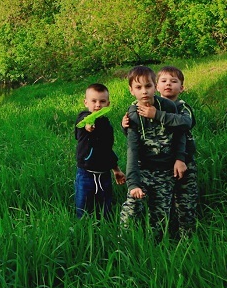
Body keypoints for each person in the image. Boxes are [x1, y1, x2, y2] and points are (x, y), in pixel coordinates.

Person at [119, 66, 192, 237]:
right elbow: (132, 150)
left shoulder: (167, 106)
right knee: (132, 206)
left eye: (148, 86)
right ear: (131, 91)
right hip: (143, 169)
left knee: (160, 214)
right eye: (138, 87)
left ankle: (156, 245)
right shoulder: (133, 115)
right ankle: (123, 241)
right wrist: (133, 183)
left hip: (166, 171)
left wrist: (180, 158)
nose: (144, 91)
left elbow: (180, 131)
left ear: (155, 86)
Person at [156, 65, 198, 238]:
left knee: (186, 199)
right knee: (161, 202)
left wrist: (157, 116)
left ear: (181, 87)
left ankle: (187, 236)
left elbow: (185, 123)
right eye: (163, 81)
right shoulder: (151, 106)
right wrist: (125, 124)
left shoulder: (182, 107)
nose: (168, 84)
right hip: (161, 162)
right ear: (156, 86)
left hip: (185, 161)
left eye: (174, 81)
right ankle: (162, 235)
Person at [75, 83, 126, 219]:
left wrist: (116, 170)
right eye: (94, 101)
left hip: (104, 175)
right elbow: (82, 121)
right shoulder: (84, 117)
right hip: (86, 174)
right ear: (86, 102)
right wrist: (87, 124)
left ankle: (106, 225)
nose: (98, 105)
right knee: (83, 205)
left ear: (108, 104)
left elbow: (107, 149)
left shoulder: (107, 126)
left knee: (106, 205)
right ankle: (83, 227)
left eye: (102, 101)